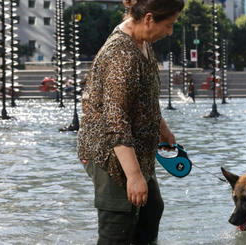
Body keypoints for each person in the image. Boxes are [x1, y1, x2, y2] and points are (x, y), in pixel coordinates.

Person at [77, 0, 184, 244]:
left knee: (151, 209)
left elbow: (143, 98)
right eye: (169, 25)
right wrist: (134, 176)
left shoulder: (142, 41)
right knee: (119, 227)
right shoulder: (121, 54)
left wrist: (163, 129)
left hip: (136, 149)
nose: (170, 32)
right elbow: (115, 121)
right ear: (148, 18)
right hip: (110, 156)